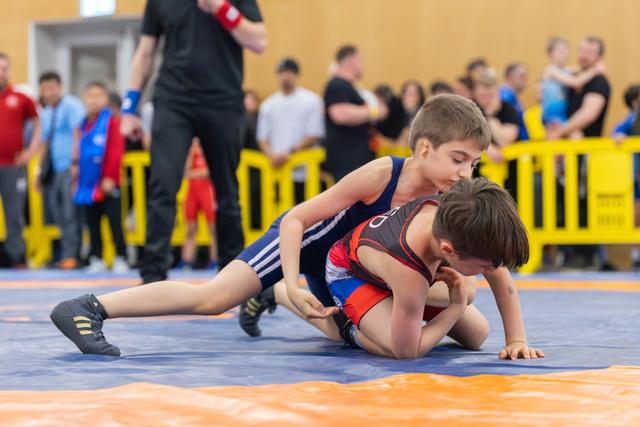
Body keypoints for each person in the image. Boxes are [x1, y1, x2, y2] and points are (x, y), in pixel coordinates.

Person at [48, 95, 510, 357]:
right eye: (458, 159)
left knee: (349, 332)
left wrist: (516, 338)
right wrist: (292, 274)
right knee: (214, 298)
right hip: (306, 243)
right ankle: (90, 307)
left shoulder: (449, 197)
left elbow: (491, 262)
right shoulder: (381, 174)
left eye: (474, 162)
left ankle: (279, 295)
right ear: (424, 148)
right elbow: (297, 219)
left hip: (349, 266)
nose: (466, 172)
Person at [119, 0, 267, 283]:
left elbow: (259, 41)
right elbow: (145, 52)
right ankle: (152, 275)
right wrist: (129, 108)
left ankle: (232, 275)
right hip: (173, 100)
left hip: (222, 102)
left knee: (227, 192)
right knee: (162, 185)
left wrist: (222, 8)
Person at [324, 178, 544, 359]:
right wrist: (455, 308)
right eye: (484, 267)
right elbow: (408, 351)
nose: (491, 271)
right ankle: (347, 329)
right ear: (448, 251)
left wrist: (517, 340)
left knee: (477, 333)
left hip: (395, 273)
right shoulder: (409, 269)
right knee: (395, 347)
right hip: (350, 273)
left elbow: (500, 276)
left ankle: (390, 309)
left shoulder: (460, 217)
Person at [547, 36, 611, 269]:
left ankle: (589, 255)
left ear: (598, 56)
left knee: (583, 200)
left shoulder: (598, 82)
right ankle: (569, 253)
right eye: (582, 49)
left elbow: (588, 115)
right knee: (565, 197)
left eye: (590, 51)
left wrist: (561, 131)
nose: (584, 54)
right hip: (568, 152)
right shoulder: (577, 79)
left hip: (585, 154)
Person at [73, 81, 129, 273]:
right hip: (88, 184)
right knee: (93, 223)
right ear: (84, 99)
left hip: (108, 182)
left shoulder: (112, 122)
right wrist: (75, 175)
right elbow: (78, 151)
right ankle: (96, 256)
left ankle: (121, 256)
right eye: (90, 96)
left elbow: (115, 151)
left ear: (106, 100)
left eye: (99, 96)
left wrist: (110, 177)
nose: (94, 100)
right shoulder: (82, 124)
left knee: (114, 222)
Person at [256, 58, 324, 203]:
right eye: (282, 72)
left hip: (304, 171)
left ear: (296, 75)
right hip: (276, 170)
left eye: (290, 72)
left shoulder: (312, 100)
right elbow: (262, 138)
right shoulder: (268, 105)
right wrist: (273, 155)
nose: (286, 76)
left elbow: (313, 134)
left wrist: (288, 153)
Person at [38, 71, 86, 269]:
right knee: (56, 212)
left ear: (60, 87)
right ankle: (64, 253)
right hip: (53, 169)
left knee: (70, 212)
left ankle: (73, 255)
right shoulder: (46, 112)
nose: (49, 92)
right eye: (45, 88)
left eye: (52, 87)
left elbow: (79, 132)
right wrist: (39, 172)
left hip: (69, 166)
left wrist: (75, 163)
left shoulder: (72, 105)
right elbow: (44, 142)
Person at [0, 52, 40, 267]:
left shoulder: (21, 97)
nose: (1, 73)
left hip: (12, 167)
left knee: (14, 214)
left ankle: (17, 258)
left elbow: (37, 123)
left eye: (4, 68)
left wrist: (30, 151)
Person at [323, 45, 387, 181]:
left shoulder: (351, 87)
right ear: (351, 61)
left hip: (356, 160)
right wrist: (375, 111)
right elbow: (340, 114)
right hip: (347, 162)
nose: (362, 65)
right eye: (360, 61)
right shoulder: (337, 85)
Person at [540, 37, 605, 128]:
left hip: (563, 112)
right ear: (550, 54)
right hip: (552, 113)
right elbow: (576, 82)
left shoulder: (566, 70)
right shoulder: (550, 70)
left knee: (574, 134)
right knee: (568, 133)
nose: (563, 55)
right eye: (559, 52)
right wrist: (595, 70)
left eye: (565, 52)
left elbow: (580, 71)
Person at [178, 139, 218, 270]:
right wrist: (191, 153)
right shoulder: (192, 152)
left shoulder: (209, 149)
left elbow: (209, 171)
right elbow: (185, 171)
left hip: (207, 192)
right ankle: (186, 262)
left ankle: (214, 261)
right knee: (190, 229)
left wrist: (193, 174)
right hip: (192, 192)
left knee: (213, 229)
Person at [611, 84, 640, 269]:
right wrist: (618, 135)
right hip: (636, 174)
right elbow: (617, 132)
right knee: (637, 212)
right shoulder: (632, 119)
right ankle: (636, 254)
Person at [500, 63, 529, 141]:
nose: (525, 80)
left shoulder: (513, 96)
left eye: (526, 76)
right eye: (522, 76)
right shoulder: (505, 96)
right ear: (510, 77)